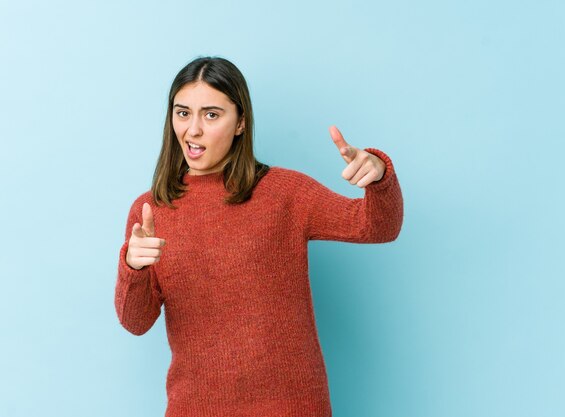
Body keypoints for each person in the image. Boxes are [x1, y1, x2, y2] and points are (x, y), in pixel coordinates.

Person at [114, 56, 404, 417]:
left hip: (292, 405)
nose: (193, 130)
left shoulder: (284, 192)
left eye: (211, 114)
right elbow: (135, 322)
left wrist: (378, 176)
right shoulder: (150, 210)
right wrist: (133, 267)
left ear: (240, 123)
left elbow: (376, 227)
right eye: (183, 113)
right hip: (196, 408)